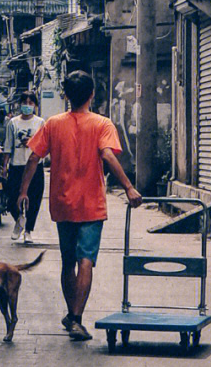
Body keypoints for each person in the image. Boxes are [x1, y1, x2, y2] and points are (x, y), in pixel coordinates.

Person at [17, 70, 141, 341]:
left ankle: (72, 315)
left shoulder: (52, 123)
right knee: (86, 260)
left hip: (62, 202)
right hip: (91, 204)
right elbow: (107, 154)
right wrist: (129, 187)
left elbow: (33, 159)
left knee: (67, 261)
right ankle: (75, 318)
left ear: (66, 95)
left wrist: (23, 191)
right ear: (92, 94)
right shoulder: (102, 124)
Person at [5, 91, 44, 242]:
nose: (27, 106)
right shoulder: (13, 123)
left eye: (30, 103)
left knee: (34, 200)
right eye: (24, 102)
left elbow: (43, 144)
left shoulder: (40, 122)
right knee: (11, 198)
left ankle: (28, 230)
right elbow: (8, 146)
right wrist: (4, 165)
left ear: (35, 105)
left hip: (35, 166)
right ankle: (19, 220)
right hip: (17, 165)